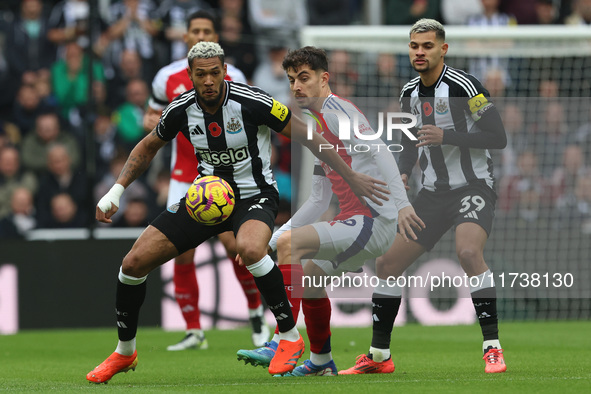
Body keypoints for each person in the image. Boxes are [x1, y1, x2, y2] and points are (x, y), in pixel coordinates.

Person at [86, 41, 388, 384]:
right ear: (191, 76)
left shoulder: (253, 101)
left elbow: (307, 135)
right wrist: (116, 190)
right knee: (132, 264)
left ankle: (289, 337)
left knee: (251, 248)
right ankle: (125, 352)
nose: (209, 80)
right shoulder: (181, 108)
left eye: (215, 72)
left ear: (225, 71)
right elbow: (148, 146)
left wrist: (350, 176)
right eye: (201, 75)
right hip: (204, 199)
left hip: (254, 195)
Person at [236, 46, 424, 376]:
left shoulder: (339, 113)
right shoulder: (316, 128)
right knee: (310, 281)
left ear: (324, 79)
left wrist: (404, 205)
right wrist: (274, 236)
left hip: (373, 220)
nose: (296, 87)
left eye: (304, 78)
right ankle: (321, 362)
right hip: (354, 221)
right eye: (292, 80)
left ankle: (283, 339)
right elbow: (318, 201)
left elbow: (381, 152)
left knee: (290, 246)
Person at [339, 19, 508, 375]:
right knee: (387, 265)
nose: (420, 52)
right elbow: (409, 142)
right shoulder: (409, 93)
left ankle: (492, 348)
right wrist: (403, 170)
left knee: (467, 252)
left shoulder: (465, 86)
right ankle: (379, 357)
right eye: (415, 46)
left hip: (473, 186)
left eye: (427, 46)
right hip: (432, 193)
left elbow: (497, 136)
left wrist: (447, 138)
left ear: (442, 49)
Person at [143, 10, 269, 351]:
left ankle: (256, 313)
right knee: (182, 254)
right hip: (184, 175)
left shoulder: (235, 76)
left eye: (207, 30)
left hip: (224, 176)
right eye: (195, 30)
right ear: (185, 37)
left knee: (234, 247)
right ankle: (194, 330)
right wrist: (150, 122)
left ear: (216, 37)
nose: (200, 35)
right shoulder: (165, 77)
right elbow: (152, 114)